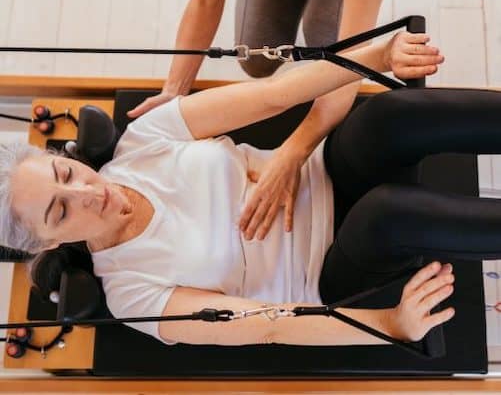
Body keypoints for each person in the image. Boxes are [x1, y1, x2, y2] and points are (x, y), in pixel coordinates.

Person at [1, 32, 454, 347]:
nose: (85, 192)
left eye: (65, 173)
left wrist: (376, 58)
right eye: (60, 212)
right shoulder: (129, 292)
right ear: (50, 242)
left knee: (388, 117)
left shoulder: (142, 140)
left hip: (321, 170)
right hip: (330, 265)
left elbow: (273, 97)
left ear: (65, 156)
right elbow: (266, 326)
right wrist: (391, 325)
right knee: (386, 214)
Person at [128, 0, 394, 243]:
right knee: (255, 61)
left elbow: (350, 67)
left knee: (325, 49)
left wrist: (292, 153)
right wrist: (174, 92)